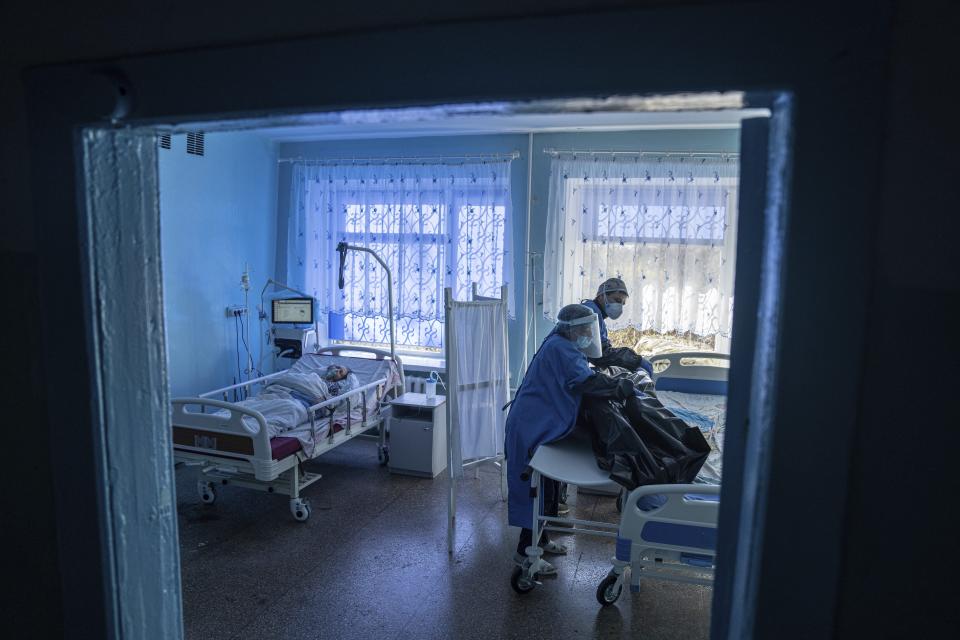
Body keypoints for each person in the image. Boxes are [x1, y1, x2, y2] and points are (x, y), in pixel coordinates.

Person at [505, 303, 633, 576]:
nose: (590, 334)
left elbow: (582, 376)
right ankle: (525, 554)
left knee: (550, 488)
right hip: (532, 426)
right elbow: (587, 383)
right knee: (535, 492)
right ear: (574, 330)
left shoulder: (561, 342)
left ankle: (543, 539)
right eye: (587, 329)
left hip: (542, 421)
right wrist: (620, 385)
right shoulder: (561, 349)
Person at [582, 277, 654, 377]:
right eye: (617, 300)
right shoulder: (590, 314)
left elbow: (601, 351)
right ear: (601, 296)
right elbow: (600, 356)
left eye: (622, 303)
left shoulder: (594, 313)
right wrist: (636, 360)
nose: (620, 305)